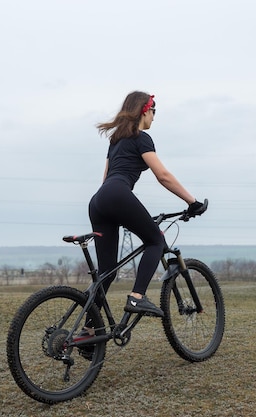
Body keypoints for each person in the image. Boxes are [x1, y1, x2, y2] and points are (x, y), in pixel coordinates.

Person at [88, 91, 205, 318]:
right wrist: (192, 202)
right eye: (153, 111)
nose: (154, 116)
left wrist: (121, 213)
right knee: (156, 240)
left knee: (107, 272)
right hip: (117, 195)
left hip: (99, 200)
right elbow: (163, 175)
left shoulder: (115, 141)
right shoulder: (141, 139)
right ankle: (137, 297)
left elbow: (106, 180)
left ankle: (88, 332)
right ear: (144, 109)